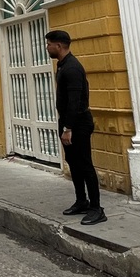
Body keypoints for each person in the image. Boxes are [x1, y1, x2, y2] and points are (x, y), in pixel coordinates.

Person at [45, 30, 105, 225]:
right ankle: (82, 201)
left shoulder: (72, 68)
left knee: (85, 164)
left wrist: (68, 128)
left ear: (59, 46)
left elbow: (74, 100)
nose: (47, 47)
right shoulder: (62, 65)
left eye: (49, 44)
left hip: (78, 122)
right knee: (73, 162)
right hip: (69, 121)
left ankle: (97, 209)